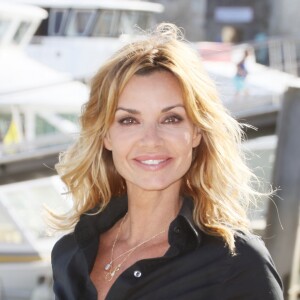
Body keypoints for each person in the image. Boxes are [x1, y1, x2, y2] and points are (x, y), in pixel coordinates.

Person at [51, 23, 284, 300]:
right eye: (129, 120)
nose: (151, 140)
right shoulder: (69, 253)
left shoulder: (237, 264)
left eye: (171, 118)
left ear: (197, 131)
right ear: (106, 136)